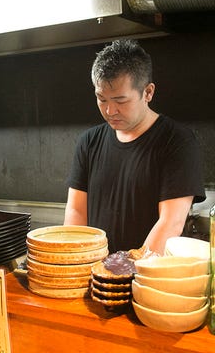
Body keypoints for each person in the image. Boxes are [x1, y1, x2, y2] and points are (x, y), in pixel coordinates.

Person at [64, 39, 205, 255]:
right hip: (95, 276)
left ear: (148, 93)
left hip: (148, 278)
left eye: (120, 101)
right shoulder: (88, 142)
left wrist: (123, 271)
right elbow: (76, 211)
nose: (110, 110)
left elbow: (171, 222)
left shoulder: (177, 141)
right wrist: (75, 263)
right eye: (101, 99)